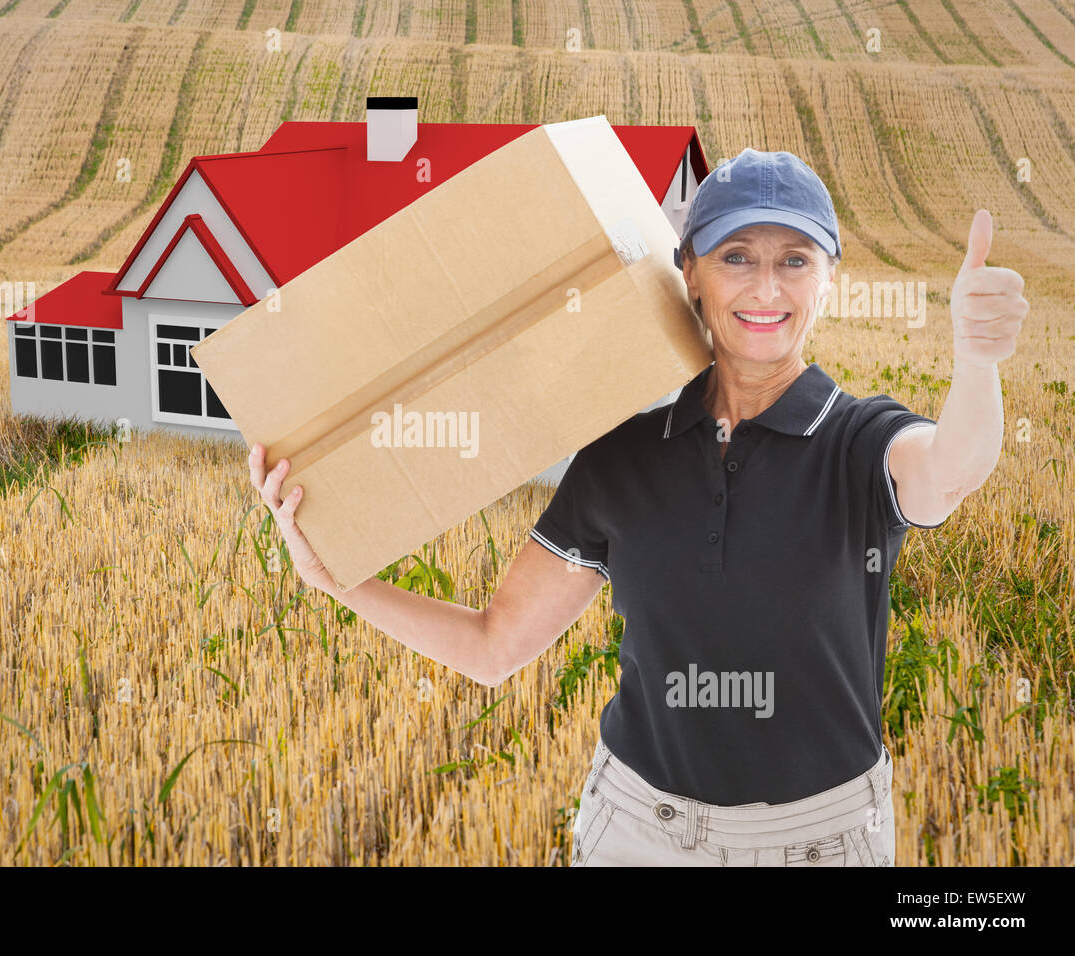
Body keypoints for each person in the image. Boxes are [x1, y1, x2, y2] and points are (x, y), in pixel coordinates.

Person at [246, 147, 1028, 866]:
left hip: (819, 840)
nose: (765, 287)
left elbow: (951, 467)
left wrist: (978, 363)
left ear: (827, 280)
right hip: (638, 832)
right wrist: (336, 581)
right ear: (689, 273)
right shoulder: (624, 456)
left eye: (795, 260)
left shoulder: (860, 440)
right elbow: (493, 647)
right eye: (735, 258)